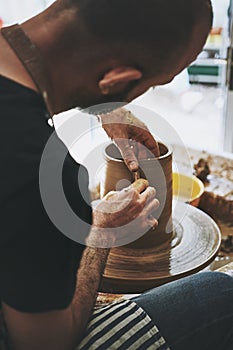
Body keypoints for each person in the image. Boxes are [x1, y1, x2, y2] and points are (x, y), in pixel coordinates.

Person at [0, 0, 233, 349]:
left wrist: (103, 103)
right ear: (115, 78)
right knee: (220, 296)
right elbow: (42, 343)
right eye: (152, 84)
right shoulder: (39, 173)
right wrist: (100, 233)